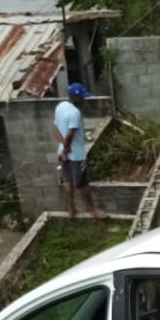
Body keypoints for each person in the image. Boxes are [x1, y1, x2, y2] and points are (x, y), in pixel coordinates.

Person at [53, 82, 102, 218]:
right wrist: (66, 150)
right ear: (76, 98)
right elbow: (70, 134)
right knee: (82, 182)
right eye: (82, 97)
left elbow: (55, 129)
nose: (84, 100)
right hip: (77, 155)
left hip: (63, 152)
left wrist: (63, 148)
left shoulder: (61, 106)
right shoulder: (75, 113)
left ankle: (71, 210)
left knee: (67, 181)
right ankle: (93, 210)